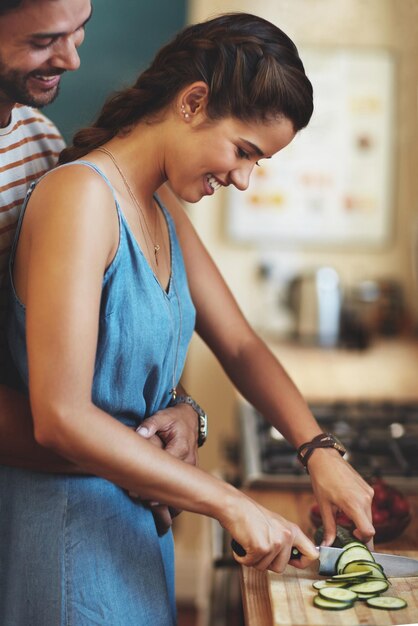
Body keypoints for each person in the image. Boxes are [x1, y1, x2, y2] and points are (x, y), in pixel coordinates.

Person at [2, 11, 375, 626]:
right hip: (66, 535)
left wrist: (319, 450)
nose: (245, 178)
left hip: (135, 532)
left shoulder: (157, 205)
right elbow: (60, 417)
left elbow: (240, 345)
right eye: (244, 151)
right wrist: (231, 503)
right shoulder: (80, 198)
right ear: (194, 102)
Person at [0, 0, 201, 534]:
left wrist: (183, 409)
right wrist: (146, 463)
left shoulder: (37, 141)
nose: (71, 60)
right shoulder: (77, 192)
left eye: (80, 31)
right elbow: (57, 414)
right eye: (44, 40)